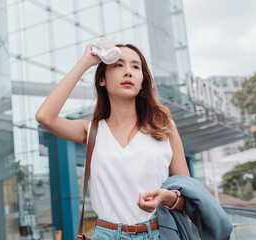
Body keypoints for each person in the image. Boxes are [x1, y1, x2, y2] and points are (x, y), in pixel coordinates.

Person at [36, 43, 190, 240]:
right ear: (102, 80)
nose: (128, 72)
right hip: (107, 235)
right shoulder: (91, 131)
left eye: (135, 67)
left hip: (158, 233)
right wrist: (86, 62)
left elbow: (189, 197)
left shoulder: (164, 127)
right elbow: (44, 117)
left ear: (142, 81)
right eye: (118, 65)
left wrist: (166, 196)